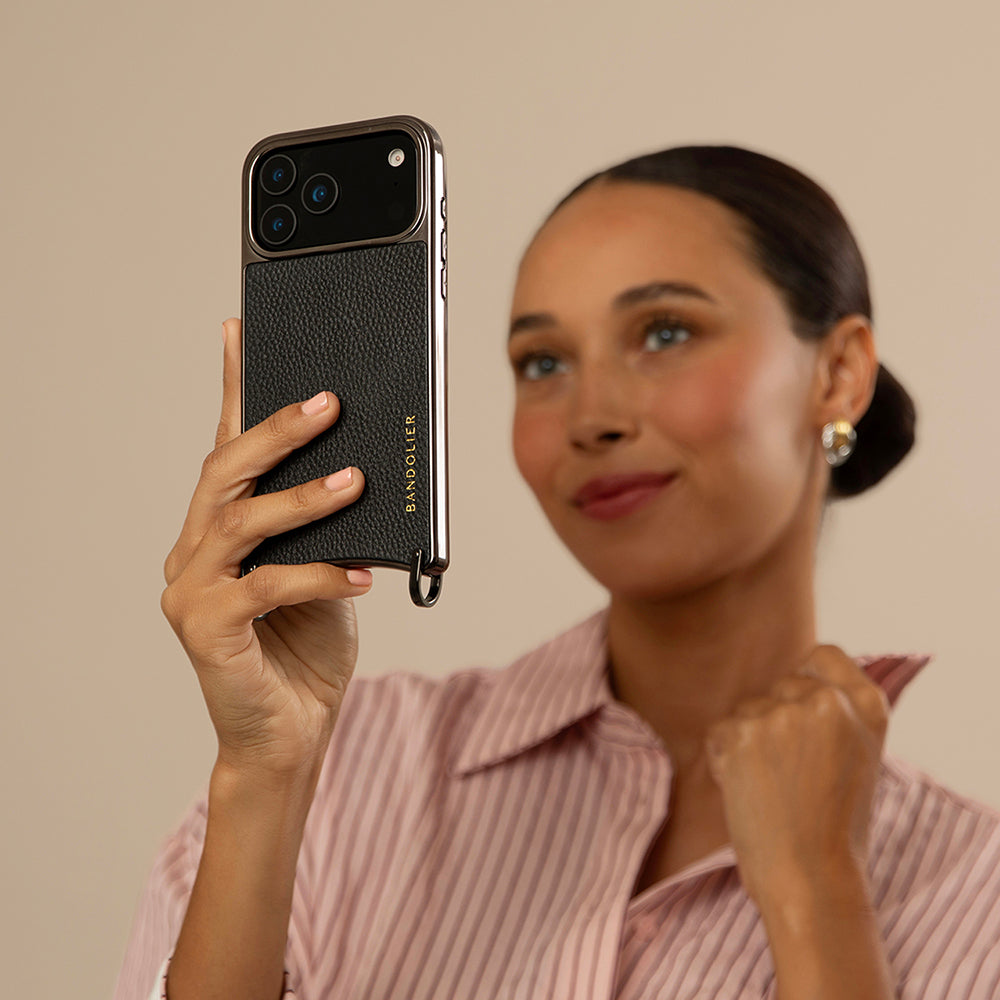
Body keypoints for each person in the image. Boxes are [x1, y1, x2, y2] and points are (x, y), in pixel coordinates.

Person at [114, 146, 1000, 1000]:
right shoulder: (339, 776)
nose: (591, 416)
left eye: (665, 333)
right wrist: (266, 777)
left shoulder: (975, 889)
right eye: (543, 362)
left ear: (839, 374)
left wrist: (818, 899)